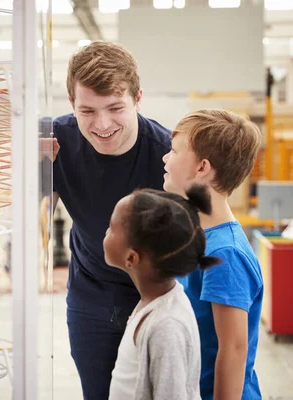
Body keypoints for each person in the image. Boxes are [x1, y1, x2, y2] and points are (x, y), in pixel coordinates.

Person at [48, 40, 171, 399]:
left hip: (155, 297)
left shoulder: (166, 154)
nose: (102, 125)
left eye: (115, 108)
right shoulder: (57, 141)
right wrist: (33, 167)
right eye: (87, 111)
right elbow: (34, 220)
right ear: (72, 104)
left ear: (138, 99)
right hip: (90, 297)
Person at [163, 109, 264, 400]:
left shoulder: (225, 254)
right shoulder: (200, 238)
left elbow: (233, 349)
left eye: (175, 150)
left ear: (202, 167)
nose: (165, 158)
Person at [103, 186, 221, 400]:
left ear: (131, 258)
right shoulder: (153, 304)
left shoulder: (167, 326)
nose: (106, 231)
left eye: (111, 228)